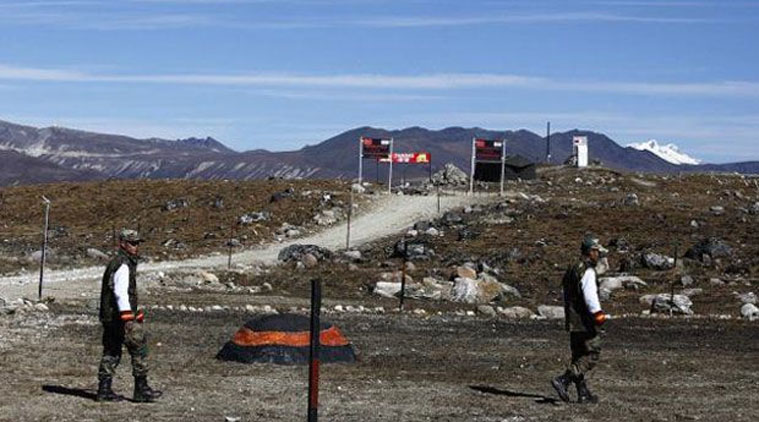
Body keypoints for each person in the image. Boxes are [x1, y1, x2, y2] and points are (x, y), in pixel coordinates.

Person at [96, 229, 162, 403]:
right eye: (133, 243)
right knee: (139, 349)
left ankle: (104, 389)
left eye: (137, 243)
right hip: (120, 318)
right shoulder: (123, 264)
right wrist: (128, 317)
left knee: (111, 351)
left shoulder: (117, 262)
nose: (136, 247)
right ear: (123, 244)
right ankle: (141, 389)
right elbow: (120, 293)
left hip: (110, 317)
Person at [551, 234, 608, 404]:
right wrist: (598, 315)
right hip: (584, 320)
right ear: (591, 252)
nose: (599, 256)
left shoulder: (572, 268)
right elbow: (590, 296)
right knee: (592, 353)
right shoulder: (587, 271)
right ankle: (563, 380)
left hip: (573, 319)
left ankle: (583, 393)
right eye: (597, 252)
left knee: (578, 355)